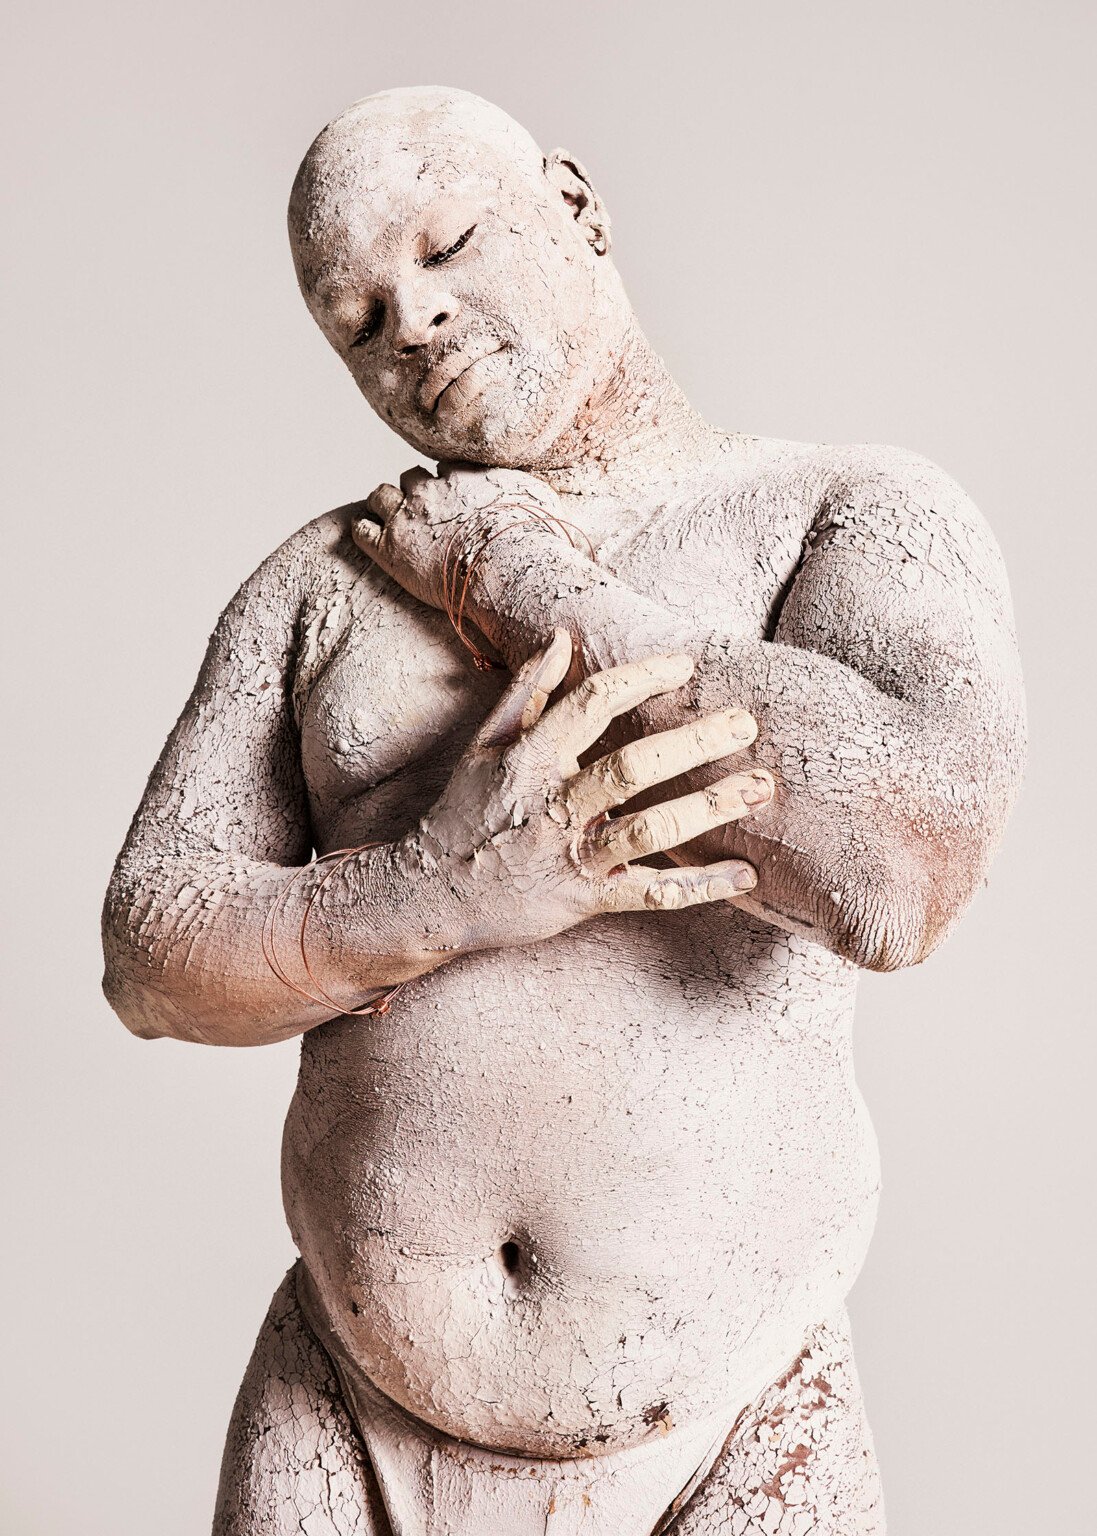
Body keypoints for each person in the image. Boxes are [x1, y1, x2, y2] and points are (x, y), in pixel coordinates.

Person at [101, 86, 1026, 1535]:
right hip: (340, 1395)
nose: (408, 320)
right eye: (355, 316)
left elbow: (899, 868)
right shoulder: (323, 579)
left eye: (449, 243)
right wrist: (425, 898)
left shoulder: (838, 511)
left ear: (577, 208)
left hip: (735, 1409)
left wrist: (520, 585)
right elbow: (150, 955)